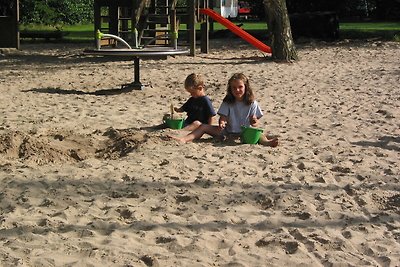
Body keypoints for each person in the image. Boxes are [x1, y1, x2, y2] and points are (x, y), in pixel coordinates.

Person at [169, 73, 278, 147]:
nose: (237, 90)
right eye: (234, 88)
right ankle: (184, 139)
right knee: (202, 126)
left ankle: (268, 142)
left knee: (260, 134)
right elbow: (223, 117)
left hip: (245, 133)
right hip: (227, 131)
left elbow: (255, 122)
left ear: (246, 87)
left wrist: (254, 121)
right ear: (230, 89)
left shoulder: (252, 103)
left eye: (240, 87)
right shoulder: (228, 102)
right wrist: (222, 122)